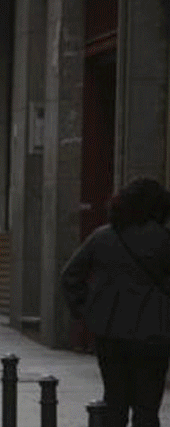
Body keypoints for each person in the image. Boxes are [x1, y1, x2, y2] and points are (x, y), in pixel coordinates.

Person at [61, 178, 170, 427]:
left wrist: (85, 311)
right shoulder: (165, 241)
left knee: (115, 402)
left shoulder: (103, 238)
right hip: (155, 334)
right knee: (147, 408)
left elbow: (70, 276)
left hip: (111, 332)